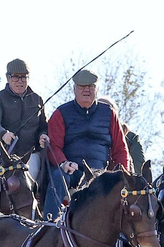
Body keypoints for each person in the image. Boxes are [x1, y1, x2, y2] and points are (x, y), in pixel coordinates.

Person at [44, 69, 130, 220]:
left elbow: (120, 149)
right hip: (72, 171)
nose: (87, 90)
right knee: (58, 177)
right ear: (74, 89)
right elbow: (53, 147)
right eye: (82, 87)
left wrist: (123, 175)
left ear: (96, 89)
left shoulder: (109, 114)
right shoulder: (61, 113)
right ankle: (49, 223)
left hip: (101, 174)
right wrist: (64, 163)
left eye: (91, 86)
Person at [0, 58, 47, 175]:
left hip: (29, 155)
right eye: (15, 77)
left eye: (23, 77)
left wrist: (43, 136)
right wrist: (3, 134)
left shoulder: (37, 100)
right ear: (8, 78)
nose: (20, 81)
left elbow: (43, 126)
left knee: (31, 181)